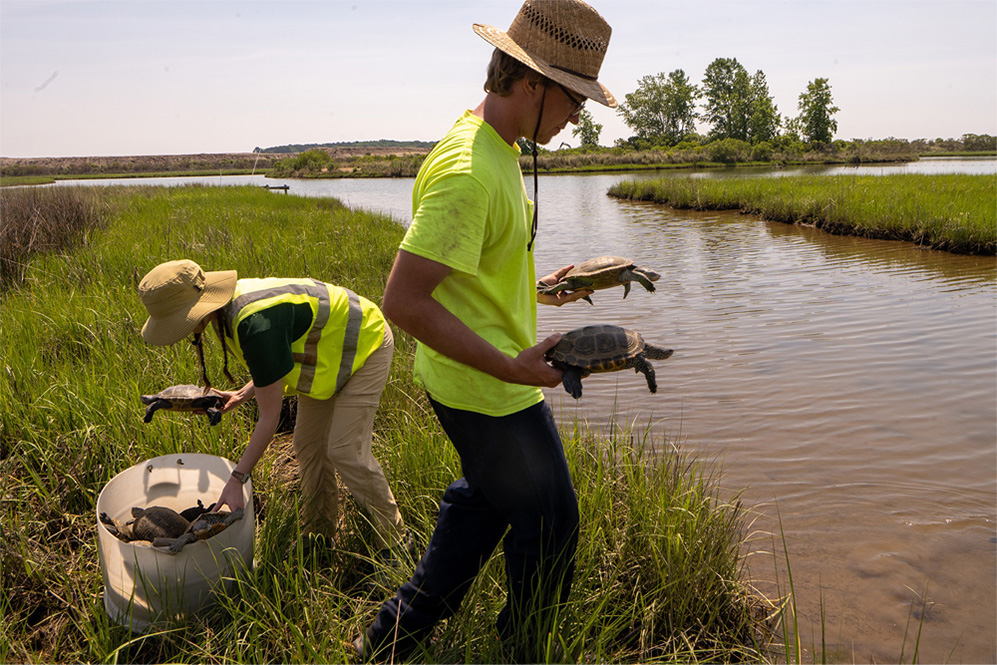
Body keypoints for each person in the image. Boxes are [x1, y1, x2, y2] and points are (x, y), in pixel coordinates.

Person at [354, 0, 617, 659]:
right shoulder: (469, 171)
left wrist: (542, 291)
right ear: (531, 84)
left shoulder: (498, 147)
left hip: (488, 378)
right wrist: (510, 367)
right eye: (574, 99)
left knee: (482, 507)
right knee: (552, 521)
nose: (577, 115)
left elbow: (471, 275)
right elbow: (404, 300)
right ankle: (523, 648)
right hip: (488, 389)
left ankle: (390, 642)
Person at [137, 259, 408, 558]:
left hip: (366, 344)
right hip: (324, 357)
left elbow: (269, 419)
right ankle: (318, 535)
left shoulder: (252, 323)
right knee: (308, 445)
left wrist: (237, 479)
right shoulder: (225, 313)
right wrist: (241, 395)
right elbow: (275, 362)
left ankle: (396, 543)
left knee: (345, 450)